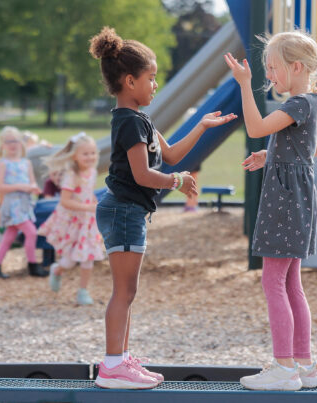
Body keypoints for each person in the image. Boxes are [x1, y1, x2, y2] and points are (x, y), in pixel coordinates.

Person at [89, 26, 237, 389]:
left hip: (128, 211)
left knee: (128, 292)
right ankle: (112, 367)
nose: (155, 85)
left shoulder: (140, 120)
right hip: (124, 210)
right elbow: (143, 174)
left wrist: (201, 125)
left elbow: (169, 155)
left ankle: (121, 361)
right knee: (123, 292)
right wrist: (177, 182)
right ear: (129, 81)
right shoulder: (130, 122)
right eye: (151, 78)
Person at [224, 29, 317, 390]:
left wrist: (244, 84)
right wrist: (270, 155)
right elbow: (315, 149)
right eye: (265, 68)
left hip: (285, 200)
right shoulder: (310, 103)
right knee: (291, 283)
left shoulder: (297, 104)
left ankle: (283, 368)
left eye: (272, 67)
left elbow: (255, 126)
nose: (268, 75)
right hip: (299, 198)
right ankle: (304, 366)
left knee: (272, 280)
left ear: (297, 67)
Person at [37, 132, 106, 305]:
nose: (90, 157)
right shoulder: (71, 175)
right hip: (72, 221)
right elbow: (65, 201)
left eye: (93, 153)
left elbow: (88, 193)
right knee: (69, 262)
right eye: (85, 153)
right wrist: (88, 207)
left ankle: (82, 292)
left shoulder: (92, 171)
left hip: (87, 222)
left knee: (87, 256)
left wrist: (96, 205)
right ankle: (57, 269)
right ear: (75, 156)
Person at [0, 126, 48, 279]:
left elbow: (32, 183)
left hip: (24, 205)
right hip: (12, 205)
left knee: (9, 236)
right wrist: (19, 186)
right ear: (2, 145)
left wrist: (34, 188)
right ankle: (33, 265)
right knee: (31, 232)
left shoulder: (26, 163)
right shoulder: (4, 164)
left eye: (15, 140)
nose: (12, 144)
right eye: (8, 141)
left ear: (21, 143)